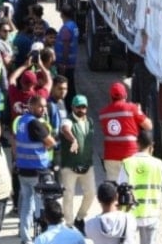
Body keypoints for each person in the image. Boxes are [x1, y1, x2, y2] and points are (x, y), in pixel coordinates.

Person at [15, 94, 57, 244]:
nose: (44, 109)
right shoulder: (35, 123)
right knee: (41, 206)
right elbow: (51, 142)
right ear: (31, 106)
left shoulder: (21, 121)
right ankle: (42, 238)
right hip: (37, 171)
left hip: (23, 170)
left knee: (27, 204)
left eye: (45, 106)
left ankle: (26, 238)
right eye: (41, 106)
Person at [99, 82, 152, 183]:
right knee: (131, 187)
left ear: (111, 97)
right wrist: (139, 111)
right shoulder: (132, 108)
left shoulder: (103, 114)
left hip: (110, 156)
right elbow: (148, 126)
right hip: (130, 154)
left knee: (113, 188)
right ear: (125, 95)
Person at [118, 130, 162, 244]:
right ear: (152, 145)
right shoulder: (158, 164)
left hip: (131, 213)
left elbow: (121, 186)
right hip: (151, 212)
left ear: (137, 144)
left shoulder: (127, 163)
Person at [60, 95, 95, 228]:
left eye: (84, 107)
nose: (81, 109)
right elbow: (65, 129)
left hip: (87, 165)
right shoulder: (67, 121)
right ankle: (69, 224)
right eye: (78, 107)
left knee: (91, 193)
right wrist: (73, 140)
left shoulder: (90, 122)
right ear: (73, 107)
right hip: (69, 166)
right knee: (68, 195)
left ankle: (80, 217)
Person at [55, 8, 80, 101]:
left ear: (62, 14)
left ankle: (69, 106)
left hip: (66, 63)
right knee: (71, 86)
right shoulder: (73, 25)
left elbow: (66, 47)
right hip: (71, 62)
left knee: (67, 87)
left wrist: (63, 64)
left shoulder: (66, 28)